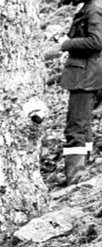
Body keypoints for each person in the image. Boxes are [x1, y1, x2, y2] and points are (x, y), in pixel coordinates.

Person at [56, 0, 102, 186]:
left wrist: (66, 43)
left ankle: (75, 177)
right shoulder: (89, 8)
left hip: (86, 75)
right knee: (83, 124)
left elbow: (97, 41)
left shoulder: (94, 10)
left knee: (75, 126)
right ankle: (80, 172)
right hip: (85, 73)